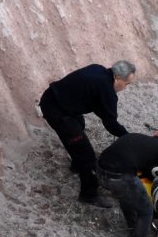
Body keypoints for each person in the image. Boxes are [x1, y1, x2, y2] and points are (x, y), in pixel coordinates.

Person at [39, 61, 135, 208]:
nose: (125, 88)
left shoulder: (98, 69)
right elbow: (110, 123)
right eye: (126, 84)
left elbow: (96, 103)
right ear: (117, 77)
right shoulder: (107, 90)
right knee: (87, 156)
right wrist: (127, 137)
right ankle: (89, 195)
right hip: (57, 112)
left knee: (79, 127)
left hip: (53, 98)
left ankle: (77, 165)